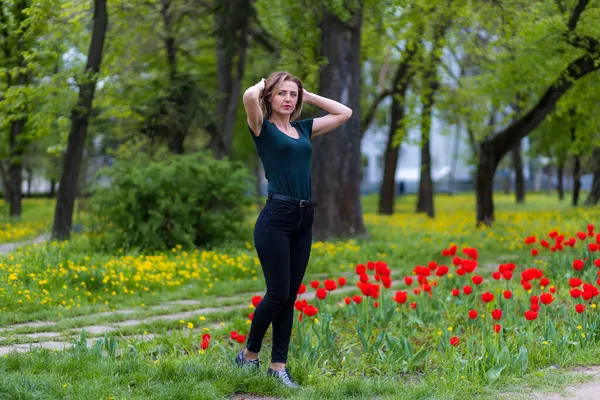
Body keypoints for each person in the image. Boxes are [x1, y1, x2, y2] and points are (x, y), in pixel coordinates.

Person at [235, 71, 352, 387]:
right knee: (276, 294)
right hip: (276, 217)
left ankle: (278, 367)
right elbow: (248, 97)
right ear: (270, 97)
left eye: (292, 94)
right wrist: (263, 85)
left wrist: (309, 95)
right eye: (281, 93)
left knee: (289, 298)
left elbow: (345, 113)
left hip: (304, 218)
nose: (288, 99)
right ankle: (248, 355)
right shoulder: (262, 128)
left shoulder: (302, 129)